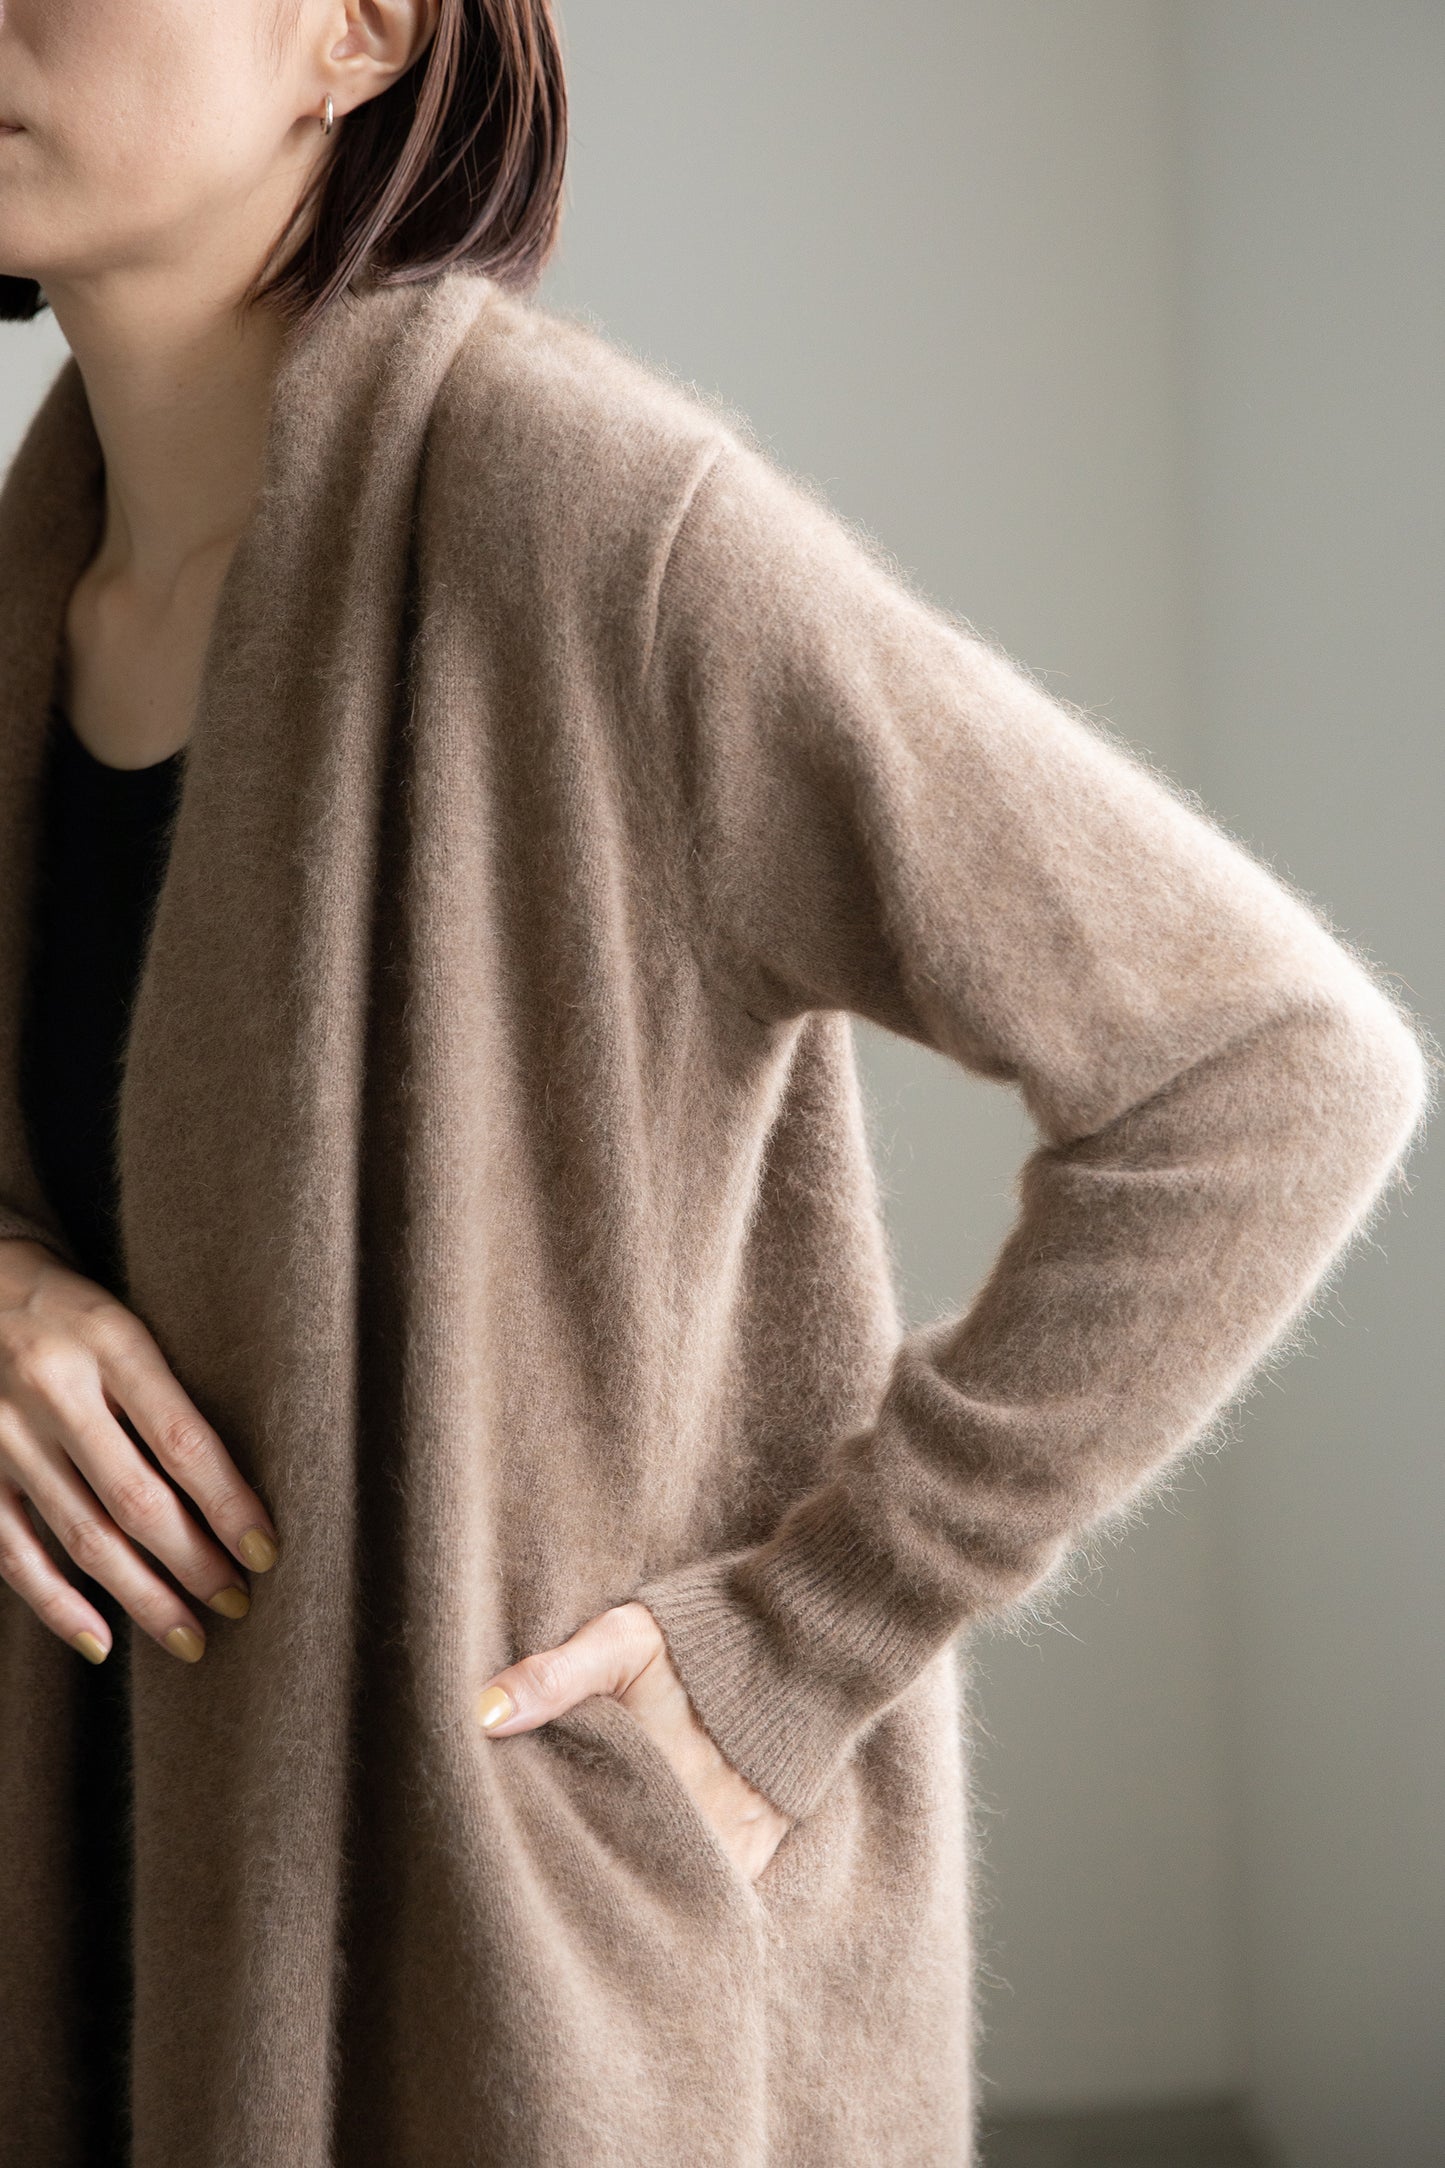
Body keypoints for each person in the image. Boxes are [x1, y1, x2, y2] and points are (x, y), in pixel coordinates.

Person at [0, 4, 1429, 2164]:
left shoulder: (586, 520)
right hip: (99, 1952)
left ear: (359, 32)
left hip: (524, 1981)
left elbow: (1268, 1064)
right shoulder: (31, 604)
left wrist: (813, 1631)